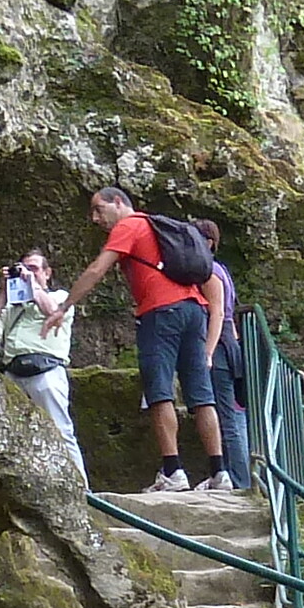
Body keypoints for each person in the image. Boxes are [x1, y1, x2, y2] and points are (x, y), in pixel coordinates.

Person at [54, 184, 230, 494]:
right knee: (202, 395)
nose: (95, 218)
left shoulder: (130, 225)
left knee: (160, 392)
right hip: (194, 311)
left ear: (119, 203)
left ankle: (173, 471)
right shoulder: (158, 226)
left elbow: (97, 269)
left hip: (160, 314)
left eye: (99, 209)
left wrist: (65, 306)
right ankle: (220, 473)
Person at [0, 248, 79, 454]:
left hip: (46, 372)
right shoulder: (14, 307)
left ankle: (81, 486)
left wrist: (32, 285)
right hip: (13, 372)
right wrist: (4, 292)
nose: (29, 273)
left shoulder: (61, 297)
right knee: (8, 435)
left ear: (47, 273)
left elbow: (53, 312)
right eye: (25, 269)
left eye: (34, 269)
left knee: (60, 431)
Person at [200, 248, 257, 494]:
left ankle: (240, 478)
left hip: (222, 349)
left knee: (229, 417)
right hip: (230, 346)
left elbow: (219, 313)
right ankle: (240, 476)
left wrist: (208, 353)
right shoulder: (222, 269)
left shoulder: (210, 272)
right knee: (235, 414)